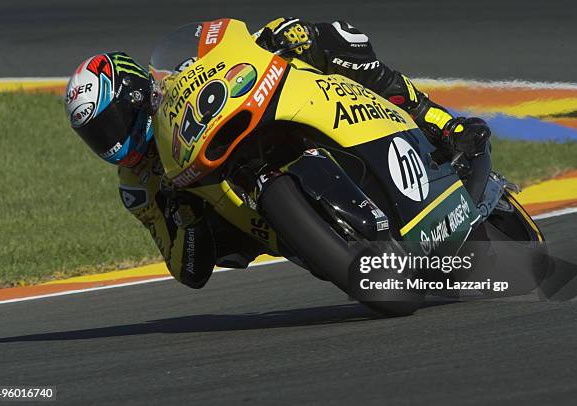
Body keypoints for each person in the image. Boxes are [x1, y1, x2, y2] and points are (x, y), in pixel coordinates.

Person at [64, 18, 491, 290]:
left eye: (111, 124)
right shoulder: (136, 188)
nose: (110, 142)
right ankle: (326, 238)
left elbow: (224, 52)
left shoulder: (176, 83)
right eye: (96, 136)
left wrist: (271, 37)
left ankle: (440, 122)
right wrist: (182, 217)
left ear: (137, 95)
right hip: (245, 211)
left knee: (326, 39)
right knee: (218, 239)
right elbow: (185, 270)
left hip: (262, 119)